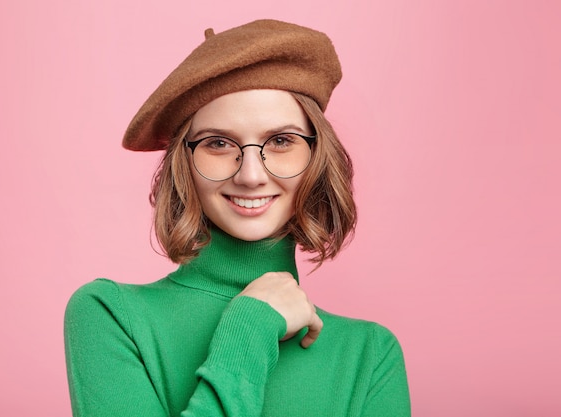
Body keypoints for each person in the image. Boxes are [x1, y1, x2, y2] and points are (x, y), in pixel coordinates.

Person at [64, 19, 410, 416]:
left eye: (281, 141)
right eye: (218, 143)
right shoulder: (110, 316)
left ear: (317, 156)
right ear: (184, 163)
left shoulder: (369, 356)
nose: (250, 175)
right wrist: (250, 329)